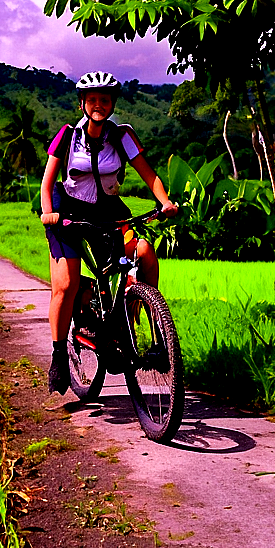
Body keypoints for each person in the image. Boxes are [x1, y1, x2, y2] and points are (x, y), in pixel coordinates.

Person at [39, 71, 178, 394]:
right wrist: (49, 213)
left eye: (104, 99)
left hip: (110, 211)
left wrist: (165, 202)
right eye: (92, 100)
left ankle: (139, 327)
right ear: (83, 105)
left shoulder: (122, 136)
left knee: (143, 253)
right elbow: (47, 182)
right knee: (66, 283)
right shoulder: (67, 136)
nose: (98, 105)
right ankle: (59, 356)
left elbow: (149, 174)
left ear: (112, 103)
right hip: (68, 211)